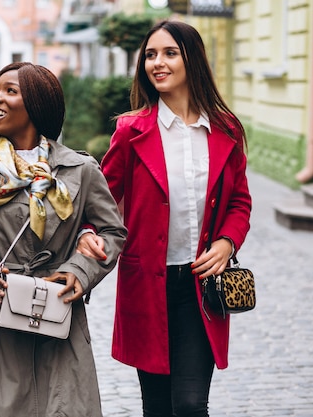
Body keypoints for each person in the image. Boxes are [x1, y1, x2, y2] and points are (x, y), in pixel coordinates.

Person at [0, 62, 127, 417]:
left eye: (10, 91)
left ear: (38, 104)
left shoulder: (81, 170)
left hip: (59, 321)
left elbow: (112, 232)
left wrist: (79, 271)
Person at [96, 20, 252, 416]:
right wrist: (86, 236)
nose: (157, 63)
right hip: (147, 285)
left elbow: (239, 202)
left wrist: (226, 242)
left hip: (201, 287)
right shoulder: (131, 131)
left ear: (191, 59)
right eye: (150, 55)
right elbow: (101, 201)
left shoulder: (225, 129)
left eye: (169, 53)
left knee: (189, 404)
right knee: (159, 407)